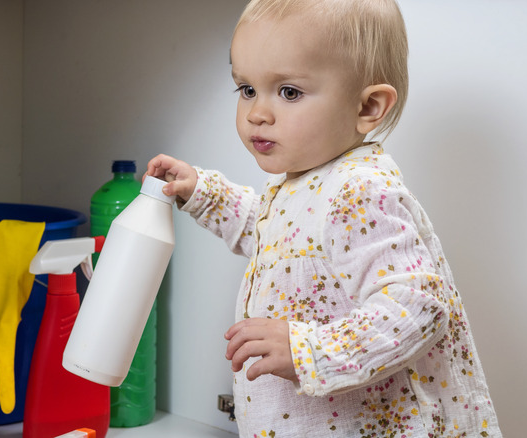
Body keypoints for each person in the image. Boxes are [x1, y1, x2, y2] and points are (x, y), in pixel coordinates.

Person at [147, 0, 501, 436]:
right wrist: (205, 193)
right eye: (246, 89)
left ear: (368, 107)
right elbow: (278, 239)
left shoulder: (358, 190)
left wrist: (309, 350)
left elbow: (419, 307)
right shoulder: (306, 183)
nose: (257, 112)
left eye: (289, 92)